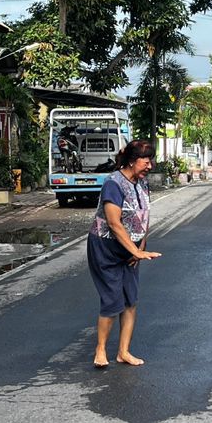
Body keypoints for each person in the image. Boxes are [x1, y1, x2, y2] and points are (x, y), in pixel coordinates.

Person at [88, 139, 162, 368]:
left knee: (130, 299)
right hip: (106, 248)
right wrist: (135, 250)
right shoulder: (114, 184)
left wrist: (140, 247)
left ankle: (124, 352)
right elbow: (114, 223)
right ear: (132, 161)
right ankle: (100, 351)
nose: (150, 165)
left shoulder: (142, 183)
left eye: (151, 160)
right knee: (112, 299)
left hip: (131, 249)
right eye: (146, 161)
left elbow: (144, 215)